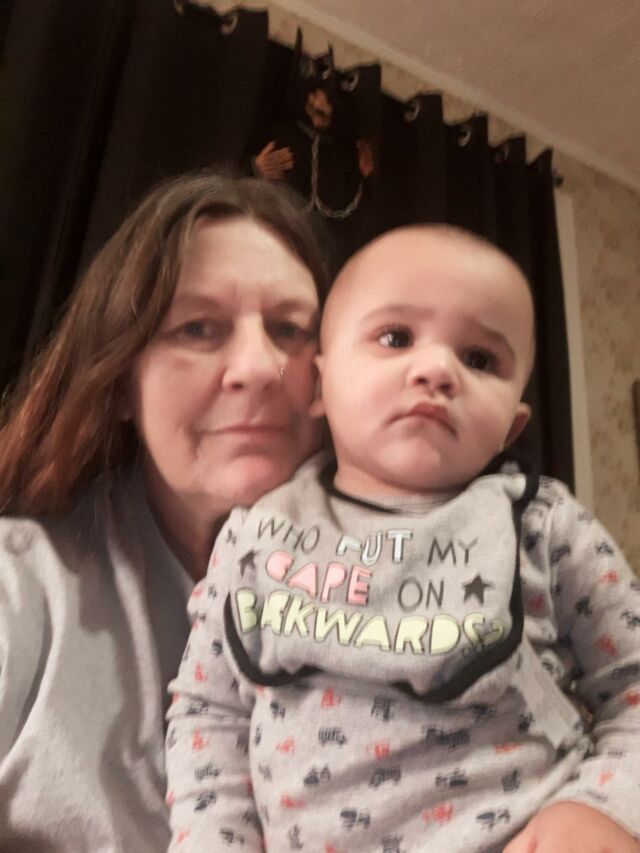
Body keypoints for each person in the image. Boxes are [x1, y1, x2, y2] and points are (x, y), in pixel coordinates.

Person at [166, 225, 640, 853]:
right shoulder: (256, 536)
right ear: (317, 386)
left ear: (511, 424)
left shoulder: (542, 526)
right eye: (395, 337)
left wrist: (604, 805)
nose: (438, 369)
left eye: (480, 360)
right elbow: (208, 712)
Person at [0, 172, 329, 852]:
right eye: (197, 327)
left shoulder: (432, 588)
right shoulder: (17, 588)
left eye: (290, 329)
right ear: (122, 380)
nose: (258, 366)